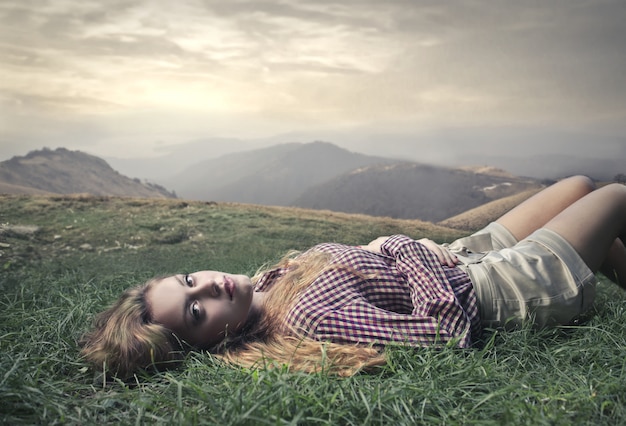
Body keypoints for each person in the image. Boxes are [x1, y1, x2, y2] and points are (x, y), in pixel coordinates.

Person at [80, 176, 626, 379]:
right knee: (615, 197)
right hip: (502, 289)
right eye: (196, 311)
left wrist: (404, 253)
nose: (208, 287)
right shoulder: (305, 315)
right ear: (210, 343)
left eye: (188, 278)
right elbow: (445, 334)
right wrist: (401, 247)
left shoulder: (266, 283)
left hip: (461, 254)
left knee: (577, 185)